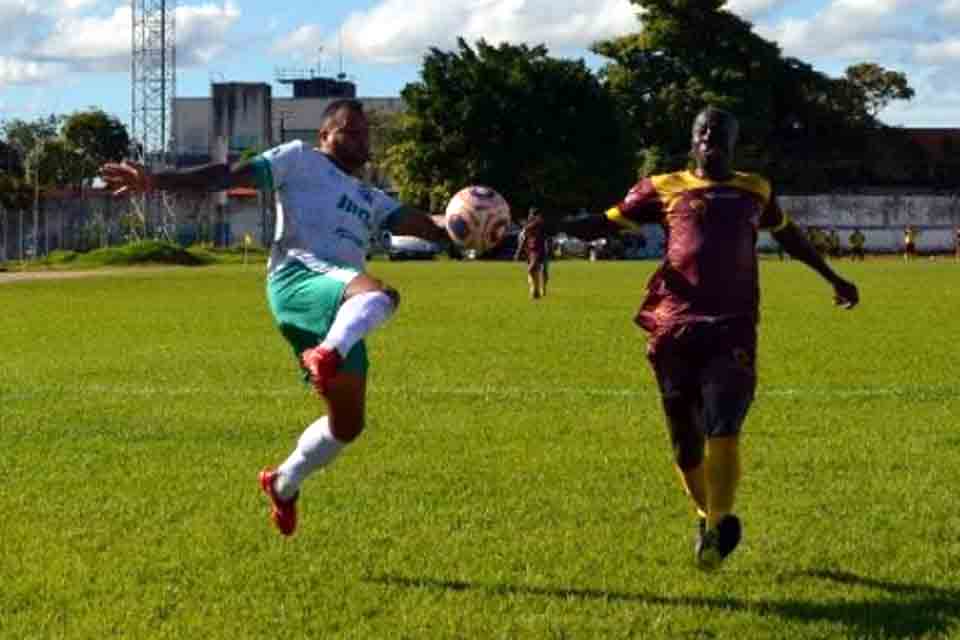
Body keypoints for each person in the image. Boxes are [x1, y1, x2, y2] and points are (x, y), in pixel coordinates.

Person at [101, 99, 454, 537]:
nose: (360, 139)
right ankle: (326, 354)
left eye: (365, 133)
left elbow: (426, 225)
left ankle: (283, 483)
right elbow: (227, 175)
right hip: (299, 279)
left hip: (341, 304)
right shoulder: (298, 159)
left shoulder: (371, 197)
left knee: (347, 426)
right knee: (381, 294)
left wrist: (464, 219)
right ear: (324, 135)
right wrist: (156, 179)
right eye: (349, 130)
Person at [537, 107, 859, 569]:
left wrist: (833, 276)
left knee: (724, 424)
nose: (710, 136)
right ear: (692, 141)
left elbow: (789, 237)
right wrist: (557, 225)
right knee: (685, 443)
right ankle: (708, 515)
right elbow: (604, 222)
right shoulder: (661, 187)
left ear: (732, 142)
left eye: (720, 131)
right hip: (673, 325)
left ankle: (714, 528)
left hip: (733, 324)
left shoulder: (755, 189)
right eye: (702, 130)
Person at [515, 208, 551, 299]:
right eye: (531, 215)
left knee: (543, 272)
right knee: (532, 270)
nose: (532, 216)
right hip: (531, 251)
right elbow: (523, 239)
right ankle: (535, 290)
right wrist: (519, 251)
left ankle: (542, 289)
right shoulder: (528, 226)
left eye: (535, 215)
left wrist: (549, 248)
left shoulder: (543, 226)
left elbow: (548, 239)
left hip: (542, 250)